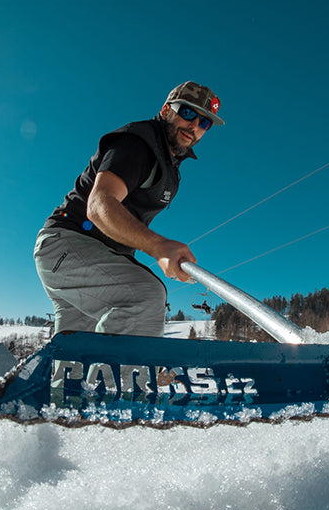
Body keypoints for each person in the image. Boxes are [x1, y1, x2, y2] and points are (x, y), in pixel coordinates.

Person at [34, 81, 224, 338]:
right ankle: (115, 380)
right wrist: (158, 246)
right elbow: (99, 205)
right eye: (188, 113)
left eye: (205, 123)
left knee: (76, 358)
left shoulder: (170, 167)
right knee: (145, 295)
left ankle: (68, 379)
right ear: (167, 110)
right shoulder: (138, 144)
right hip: (69, 244)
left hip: (93, 260)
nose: (194, 126)